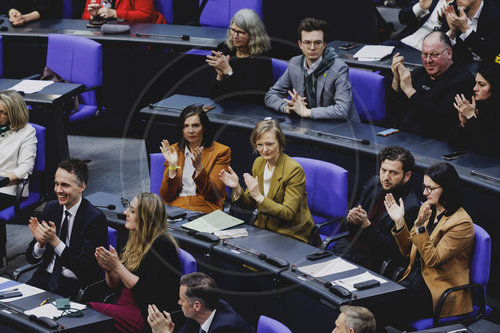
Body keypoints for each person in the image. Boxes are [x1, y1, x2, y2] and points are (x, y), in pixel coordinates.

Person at [384, 162, 474, 319]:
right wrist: (399, 222)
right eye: (424, 187)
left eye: (431, 189)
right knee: (372, 304)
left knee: (377, 309)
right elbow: (407, 250)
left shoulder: (461, 223)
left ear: (447, 189)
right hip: (412, 279)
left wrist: (419, 229)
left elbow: (433, 259)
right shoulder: (427, 207)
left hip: (437, 289)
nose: (425, 193)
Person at [89, 192, 181, 333]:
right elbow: (115, 286)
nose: (125, 213)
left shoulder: (162, 246)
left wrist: (118, 266)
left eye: (132, 211)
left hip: (144, 313)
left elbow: (147, 293)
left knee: (89, 313)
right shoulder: (134, 239)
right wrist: (109, 269)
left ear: (146, 217)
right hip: (124, 305)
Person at [219, 119, 315, 243]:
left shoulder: (293, 170)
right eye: (259, 145)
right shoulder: (258, 163)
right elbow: (248, 204)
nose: (264, 150)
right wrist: (237, 188)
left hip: (290, 233)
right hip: (264, 229)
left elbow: (288, 213)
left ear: (280, 143)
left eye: (269, 144)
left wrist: (259, 197)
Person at [25, 158, 108, 298]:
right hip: (44, 277)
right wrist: (41, 243)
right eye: (56, 184)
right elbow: (31, 258)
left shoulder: (95, 219)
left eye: (65, 185)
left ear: (82, 187)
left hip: (75, 285)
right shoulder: (51, 208)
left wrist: (55, 242)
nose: (58, 190)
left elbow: (85, 268)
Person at [332, 146, 420, 271]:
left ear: (407, 176)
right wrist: (351, 219)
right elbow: (347, 227)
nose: (385, 177)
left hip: (372, 261)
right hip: (346, 247)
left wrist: (367, 226)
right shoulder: (375, 183)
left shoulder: (411, 206)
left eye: (393, 173)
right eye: (383, 170)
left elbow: (393, 251)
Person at [264, 17, 359, 121]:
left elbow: (342, 110)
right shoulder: (294, 64)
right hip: (309, 125)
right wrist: (288, 108)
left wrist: (307, 112)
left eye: (317, 43)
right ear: (300, 44)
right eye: (307, 42)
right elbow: (271, 95)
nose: (312, 47)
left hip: (340, 128)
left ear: (324, 45)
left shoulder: (339, 68)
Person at [390, 31, 473, 139]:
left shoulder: (462, 81)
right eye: (425, 54)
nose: (428, 60)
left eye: (434, 54)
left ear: (449, 53)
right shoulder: (418, 73)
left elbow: (438, 120)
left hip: (433, 141)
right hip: (405, 135)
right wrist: (396, 81)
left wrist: (409, 90)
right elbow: (394, 110)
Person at [159, 105, 231, 214]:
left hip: (204, 208)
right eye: (186, 126)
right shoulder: (173, 150)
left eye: (195, 125)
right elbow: (166, 196)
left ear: (204, 127)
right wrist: (172, 166)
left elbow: (213, 195)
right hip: (176, 208)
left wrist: (199, 169)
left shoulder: (221, 151)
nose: (190, 131)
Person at [147, 272, 254, 333]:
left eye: (182, 300)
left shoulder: (226, 329)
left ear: (197, 305)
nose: (179, 302)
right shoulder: (198, 316)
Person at [207, 9, 273, 105]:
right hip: (226, 109)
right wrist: (220, 76)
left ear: (252, 35)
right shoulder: (226, 52)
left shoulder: (262, 59)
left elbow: (252, 98)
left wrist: (229, 72)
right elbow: (213, 95)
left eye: (240, 32)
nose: (235, 36)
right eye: (233, 30)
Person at [448, 62, 500, 155]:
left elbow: (488, 147)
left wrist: (471, 117)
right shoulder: (475, 105)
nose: (475, 88)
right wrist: (464, 123)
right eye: (476, 83)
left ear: (495, 86)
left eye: (481, 84)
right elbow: (453, 142)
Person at [0, 90, 37, 211]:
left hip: (7, 189)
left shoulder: (27, 132)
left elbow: (25, 169)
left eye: (1, 112)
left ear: (13, 114)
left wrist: (3, 181)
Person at [82, 0, 165, 24]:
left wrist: (115, 13)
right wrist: (93, 16)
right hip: (107, 36)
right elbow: (85, 15)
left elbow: (147, 15)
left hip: (140, 35)